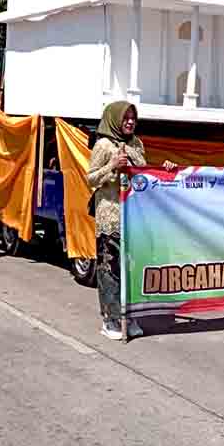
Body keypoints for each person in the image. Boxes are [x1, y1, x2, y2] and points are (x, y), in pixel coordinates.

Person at [87, 102, 177, 340]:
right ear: (114, 119)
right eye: (125, 118)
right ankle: (111, 319)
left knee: (131, 269)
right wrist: (112, 166)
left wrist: (165, 169)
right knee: (110, 269)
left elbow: (144, 173)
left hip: (135, 216)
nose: (129, 122)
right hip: (111, 217)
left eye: (132, 118)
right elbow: (90, 178)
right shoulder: (103, 145)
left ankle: (130, 316)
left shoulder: (136, 143)